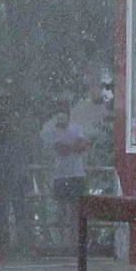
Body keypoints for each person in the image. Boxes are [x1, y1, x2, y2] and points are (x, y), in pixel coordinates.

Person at [41, 106, 90, 249]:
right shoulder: (52, 131)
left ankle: (75, 241)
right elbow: (60, 149)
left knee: (76, 209)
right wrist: (75, 146)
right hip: (60, 176)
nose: (61, 117)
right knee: (61, 210)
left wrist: (72, 147)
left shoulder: (77, 128)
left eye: (63, 114)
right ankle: (62, 243)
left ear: (68, 116)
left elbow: (84, 145)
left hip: (76, 175)